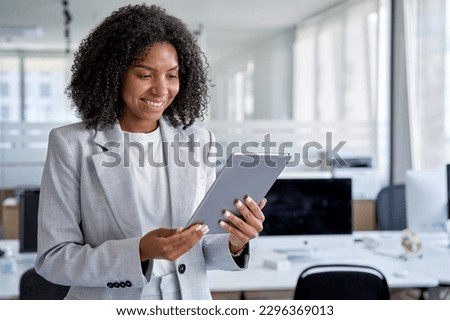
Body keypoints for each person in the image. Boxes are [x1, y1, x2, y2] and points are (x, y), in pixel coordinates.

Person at [35, 4, 265, 300]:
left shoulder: (198, 141)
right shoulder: (71, 144)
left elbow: (203, 250)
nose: (161, 89)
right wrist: (140, 251)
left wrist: (235, 241)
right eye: (145, 75)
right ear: (113, 74)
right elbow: (53, 259)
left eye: (172, 75)